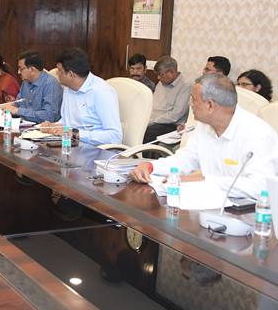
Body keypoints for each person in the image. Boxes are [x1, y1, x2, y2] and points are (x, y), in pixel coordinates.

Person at [131, 74, 277, 199]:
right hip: (207, 202)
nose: (190, 104)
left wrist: (204, 181)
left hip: (245, 215)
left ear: (210, 105)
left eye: (193, 99)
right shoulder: (205, 126)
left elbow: (260, 186)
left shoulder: (258, 134)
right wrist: (151, 166)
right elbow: (185, 160)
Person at [40, 48, 122, 146]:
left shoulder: (102, 92)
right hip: (71, 146)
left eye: (60, 70)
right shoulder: (69, 88)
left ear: (71, 74)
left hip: (96, 149)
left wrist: (76, 134)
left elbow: (115, 136)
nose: (57, 73)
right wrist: (53, 126)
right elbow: (67, 122)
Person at [0, 50, 62, 123]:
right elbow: (18, 103)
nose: (18, 72)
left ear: (32, 69)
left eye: (21, 69)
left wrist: (18, 111)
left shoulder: (50, 84)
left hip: (44, 127)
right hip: (25, 125)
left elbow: (49, 116)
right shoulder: (26, 82)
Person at [143, 56, 190, 143]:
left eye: (160, 74)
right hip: (153, 120)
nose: (158, 78)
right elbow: (153, 104)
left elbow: (175, 116)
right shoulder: (162, 82)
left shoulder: (185, 86)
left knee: (146, 133)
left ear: (171, 72)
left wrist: (153, 120)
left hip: (170, 124)